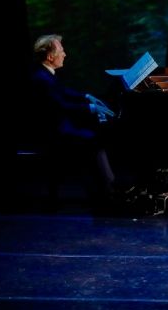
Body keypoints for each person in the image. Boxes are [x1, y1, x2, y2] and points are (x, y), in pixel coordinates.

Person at [27, 34, 123, 203]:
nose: (65, 54)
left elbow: (64, 92)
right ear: (50, 57)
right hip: (53, 133)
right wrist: (92, 108)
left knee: (95, 138)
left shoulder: (45, 74)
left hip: (58, 126)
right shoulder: (41, 79)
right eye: (61, 51)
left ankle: (106, 188)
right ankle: (108, 190)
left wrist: (87, 96)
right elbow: (61, 105)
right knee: (95, 140)